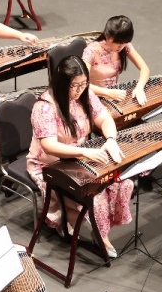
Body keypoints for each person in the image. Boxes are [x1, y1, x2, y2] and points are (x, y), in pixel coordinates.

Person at [26, 56, 133, 258]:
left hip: (82, 155)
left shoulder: (86, 94)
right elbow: (49, 146)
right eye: (74, 86)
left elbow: (104, 118)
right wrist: (84, 151)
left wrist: (110, 139)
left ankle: (101, 227)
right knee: (96, 195)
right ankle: (100, 234)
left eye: (84, 84)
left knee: (119, 181)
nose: (80, 90)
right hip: (52, 163)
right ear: (61, 83)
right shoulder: (45, 106)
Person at [82, 15, 151, 105]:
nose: (121, 48)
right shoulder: (91, 51)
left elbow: (144, 68)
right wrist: (108, 93)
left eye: (124, 44)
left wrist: (139, 87)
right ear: (107, 35)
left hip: (114, 96)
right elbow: (82, 84)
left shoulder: (125, 46)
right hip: (93, 97)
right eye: (118, 44)